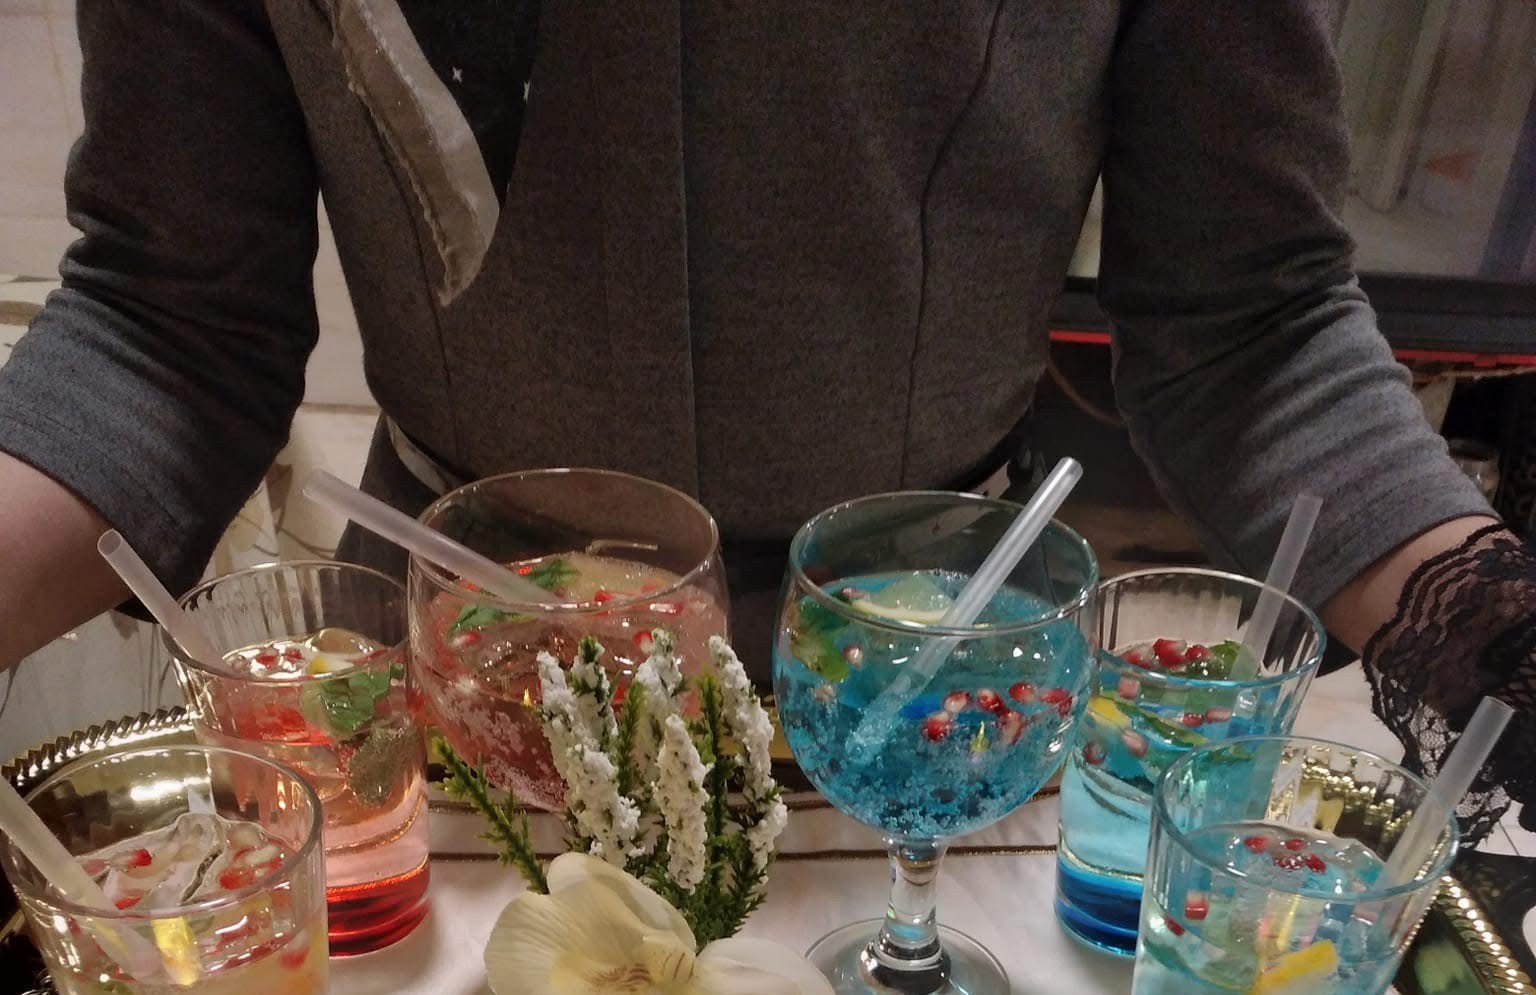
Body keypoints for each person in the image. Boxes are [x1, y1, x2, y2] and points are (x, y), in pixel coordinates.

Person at [0, 0, 1529, 829]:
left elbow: (1250, 315)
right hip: (463, 707)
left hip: (937, 701)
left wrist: (1494, 638)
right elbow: (168, 315)